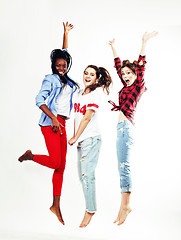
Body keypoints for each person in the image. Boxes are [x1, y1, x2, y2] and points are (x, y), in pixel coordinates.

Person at [18, 22, 79, 225]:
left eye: (63, 65)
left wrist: (65, 33)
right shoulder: (50, 79)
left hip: (63, 123)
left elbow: (65, 52)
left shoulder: (68, 80)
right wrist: (53, 117)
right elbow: (39, 100)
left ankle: (55, 204)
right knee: (54, 162)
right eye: (58, 65)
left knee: (61, 166)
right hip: (50, 123)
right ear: (53, 66)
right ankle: (31, 156)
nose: (61, 68)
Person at [108, 31, 158, 225]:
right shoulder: (126, 86)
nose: (125, 75)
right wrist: (113, 46)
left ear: (136, 74)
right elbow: (117, 66)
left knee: (124, 167)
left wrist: (144, 42)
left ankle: (126, 205)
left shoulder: (137, 85)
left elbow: (142, 65)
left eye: (129, 73)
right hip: (122, 128)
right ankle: (123, 206)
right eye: (124, 74)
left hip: (126, 128)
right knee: (122, 167)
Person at [68, 65, 112, 227]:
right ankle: (90, 207)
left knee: (88, 176)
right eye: (86, 73)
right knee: (82, 176)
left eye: (91, 74)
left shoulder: (95, 94)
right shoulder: (81, 93)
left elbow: (86, 118)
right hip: (83, 141)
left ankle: (90, 210)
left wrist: (75, 137)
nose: (87, 76)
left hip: (91, 139)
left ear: (96, 78)